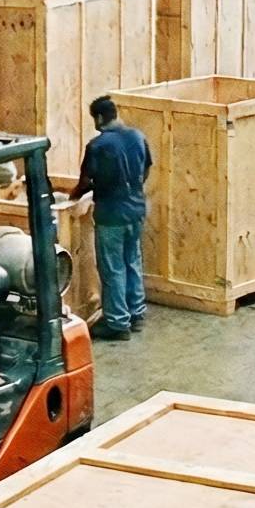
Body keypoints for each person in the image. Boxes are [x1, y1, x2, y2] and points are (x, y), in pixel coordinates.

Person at [71, 96, 152, 341]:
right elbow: (147, 167)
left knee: (113, 267)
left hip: (111, 214)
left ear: (98, 118)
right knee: (132, 261)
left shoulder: (98, 146)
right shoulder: (138, 137)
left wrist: (70, 196)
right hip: (136, 210)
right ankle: (136, 312)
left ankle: (117, 323)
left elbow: (85, 182)